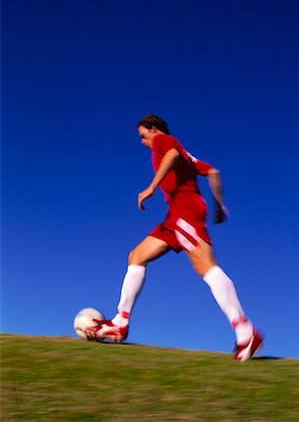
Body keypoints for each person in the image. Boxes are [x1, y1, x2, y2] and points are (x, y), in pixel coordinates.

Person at [86, 114, 264, 361]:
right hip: (175, 216)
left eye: (143, 135)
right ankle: (120, 322)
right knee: (136, 256)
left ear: (153, 129)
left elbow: (171, 155)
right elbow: (213, 172)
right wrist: (220, 205)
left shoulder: (163, 140)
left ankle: (246, 332)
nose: (143, 142)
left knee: (207, 268)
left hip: (185, 210)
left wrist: (151, 188)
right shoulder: (188, 155)